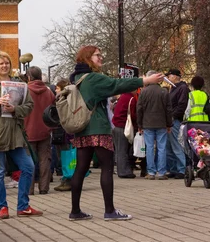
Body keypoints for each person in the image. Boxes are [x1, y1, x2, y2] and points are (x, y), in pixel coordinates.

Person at [68, 46, 163, 221]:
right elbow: (117, 85)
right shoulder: (94, 78)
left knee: (80, 169)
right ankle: (109, 211)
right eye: (97, 55)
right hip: (97, 128)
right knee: (106, 167)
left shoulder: (77, 78)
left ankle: (75, 211)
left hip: (82, 129)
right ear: (88, 58)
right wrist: (145, 80)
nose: (101, 58)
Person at [0, 51, 43, 220]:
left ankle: (23, 206)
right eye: (1, 64)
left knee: (28, 167)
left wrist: (16, 109)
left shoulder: (19, 84)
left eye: (7, 63)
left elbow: (29, 106)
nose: (4, 66)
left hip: (15, 135)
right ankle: (2, 207)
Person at [24, 66, 55, 194]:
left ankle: (29, 189)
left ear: (29, 77)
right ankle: (44, 187)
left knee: (28, 161)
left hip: (28, 130)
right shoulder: (49, 92)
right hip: (45, 130)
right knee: (45, 160)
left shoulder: (25, 91)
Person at [137, 70, 173, 180]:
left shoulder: (143, 92)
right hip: (161, 123)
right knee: (162, 148)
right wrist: (169, 124)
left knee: (149, 148)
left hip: (147, 124)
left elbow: (139, 109)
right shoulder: (164, 92)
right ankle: (161, 172)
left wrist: (139, 125)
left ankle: (151, 172)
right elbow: (168, 110)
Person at [165, 69, 189, 179]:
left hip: (175, 120)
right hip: (171, 119)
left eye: (169, 76)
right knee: (169, 146)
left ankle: (182, 169)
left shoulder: (182, 88)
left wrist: (173, 116)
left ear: (175, 76)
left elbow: (181, 104)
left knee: (176, 145)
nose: (168, 78)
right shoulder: (174, 88)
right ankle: (173, 168)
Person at [111, 88, 139, 179]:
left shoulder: (123, 97)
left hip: (117, 125)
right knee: (123, 150)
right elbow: (133, 114)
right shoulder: (131, 99)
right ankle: (124, 171)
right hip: (124, 126)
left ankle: (122, 170)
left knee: (119, 150)